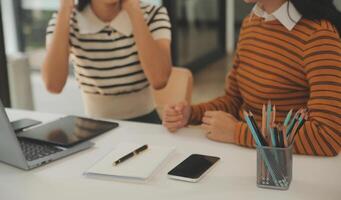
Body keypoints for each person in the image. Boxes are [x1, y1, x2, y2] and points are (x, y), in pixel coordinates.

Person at [163, 0, 341, 156]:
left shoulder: (319, 36)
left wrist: (237, 133)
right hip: (244, 156)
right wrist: (191, 114)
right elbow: (234, 100)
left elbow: (327, 137)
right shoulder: (251, 22)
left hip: (287, 170)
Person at [43, 0, 172, 124]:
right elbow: (53, 85)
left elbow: (159, 79)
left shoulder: (153, 13)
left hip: (146, 122)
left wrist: (133, 9)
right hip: (92, 125)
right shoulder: (66, 18)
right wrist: (65, 8)